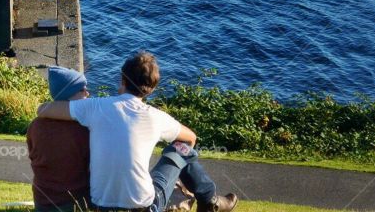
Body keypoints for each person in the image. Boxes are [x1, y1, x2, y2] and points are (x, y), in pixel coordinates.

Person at [36, 52, 237, 212]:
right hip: (145, 207)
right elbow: (191, 138)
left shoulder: (95, 107)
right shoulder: (157, 117)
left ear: (122, 79)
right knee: (182, 148)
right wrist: (181, 170)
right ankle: (210, 199)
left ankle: (210, 200)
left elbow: (43, 109)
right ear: (151, 89)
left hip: (100, 207)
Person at [26, 67, 91, 212]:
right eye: (82, 89)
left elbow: (32, 155)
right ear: (69, 95)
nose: (87, 93)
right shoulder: (84, 129)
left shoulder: (35, 125)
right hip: (74, 203)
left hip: (42, 202)